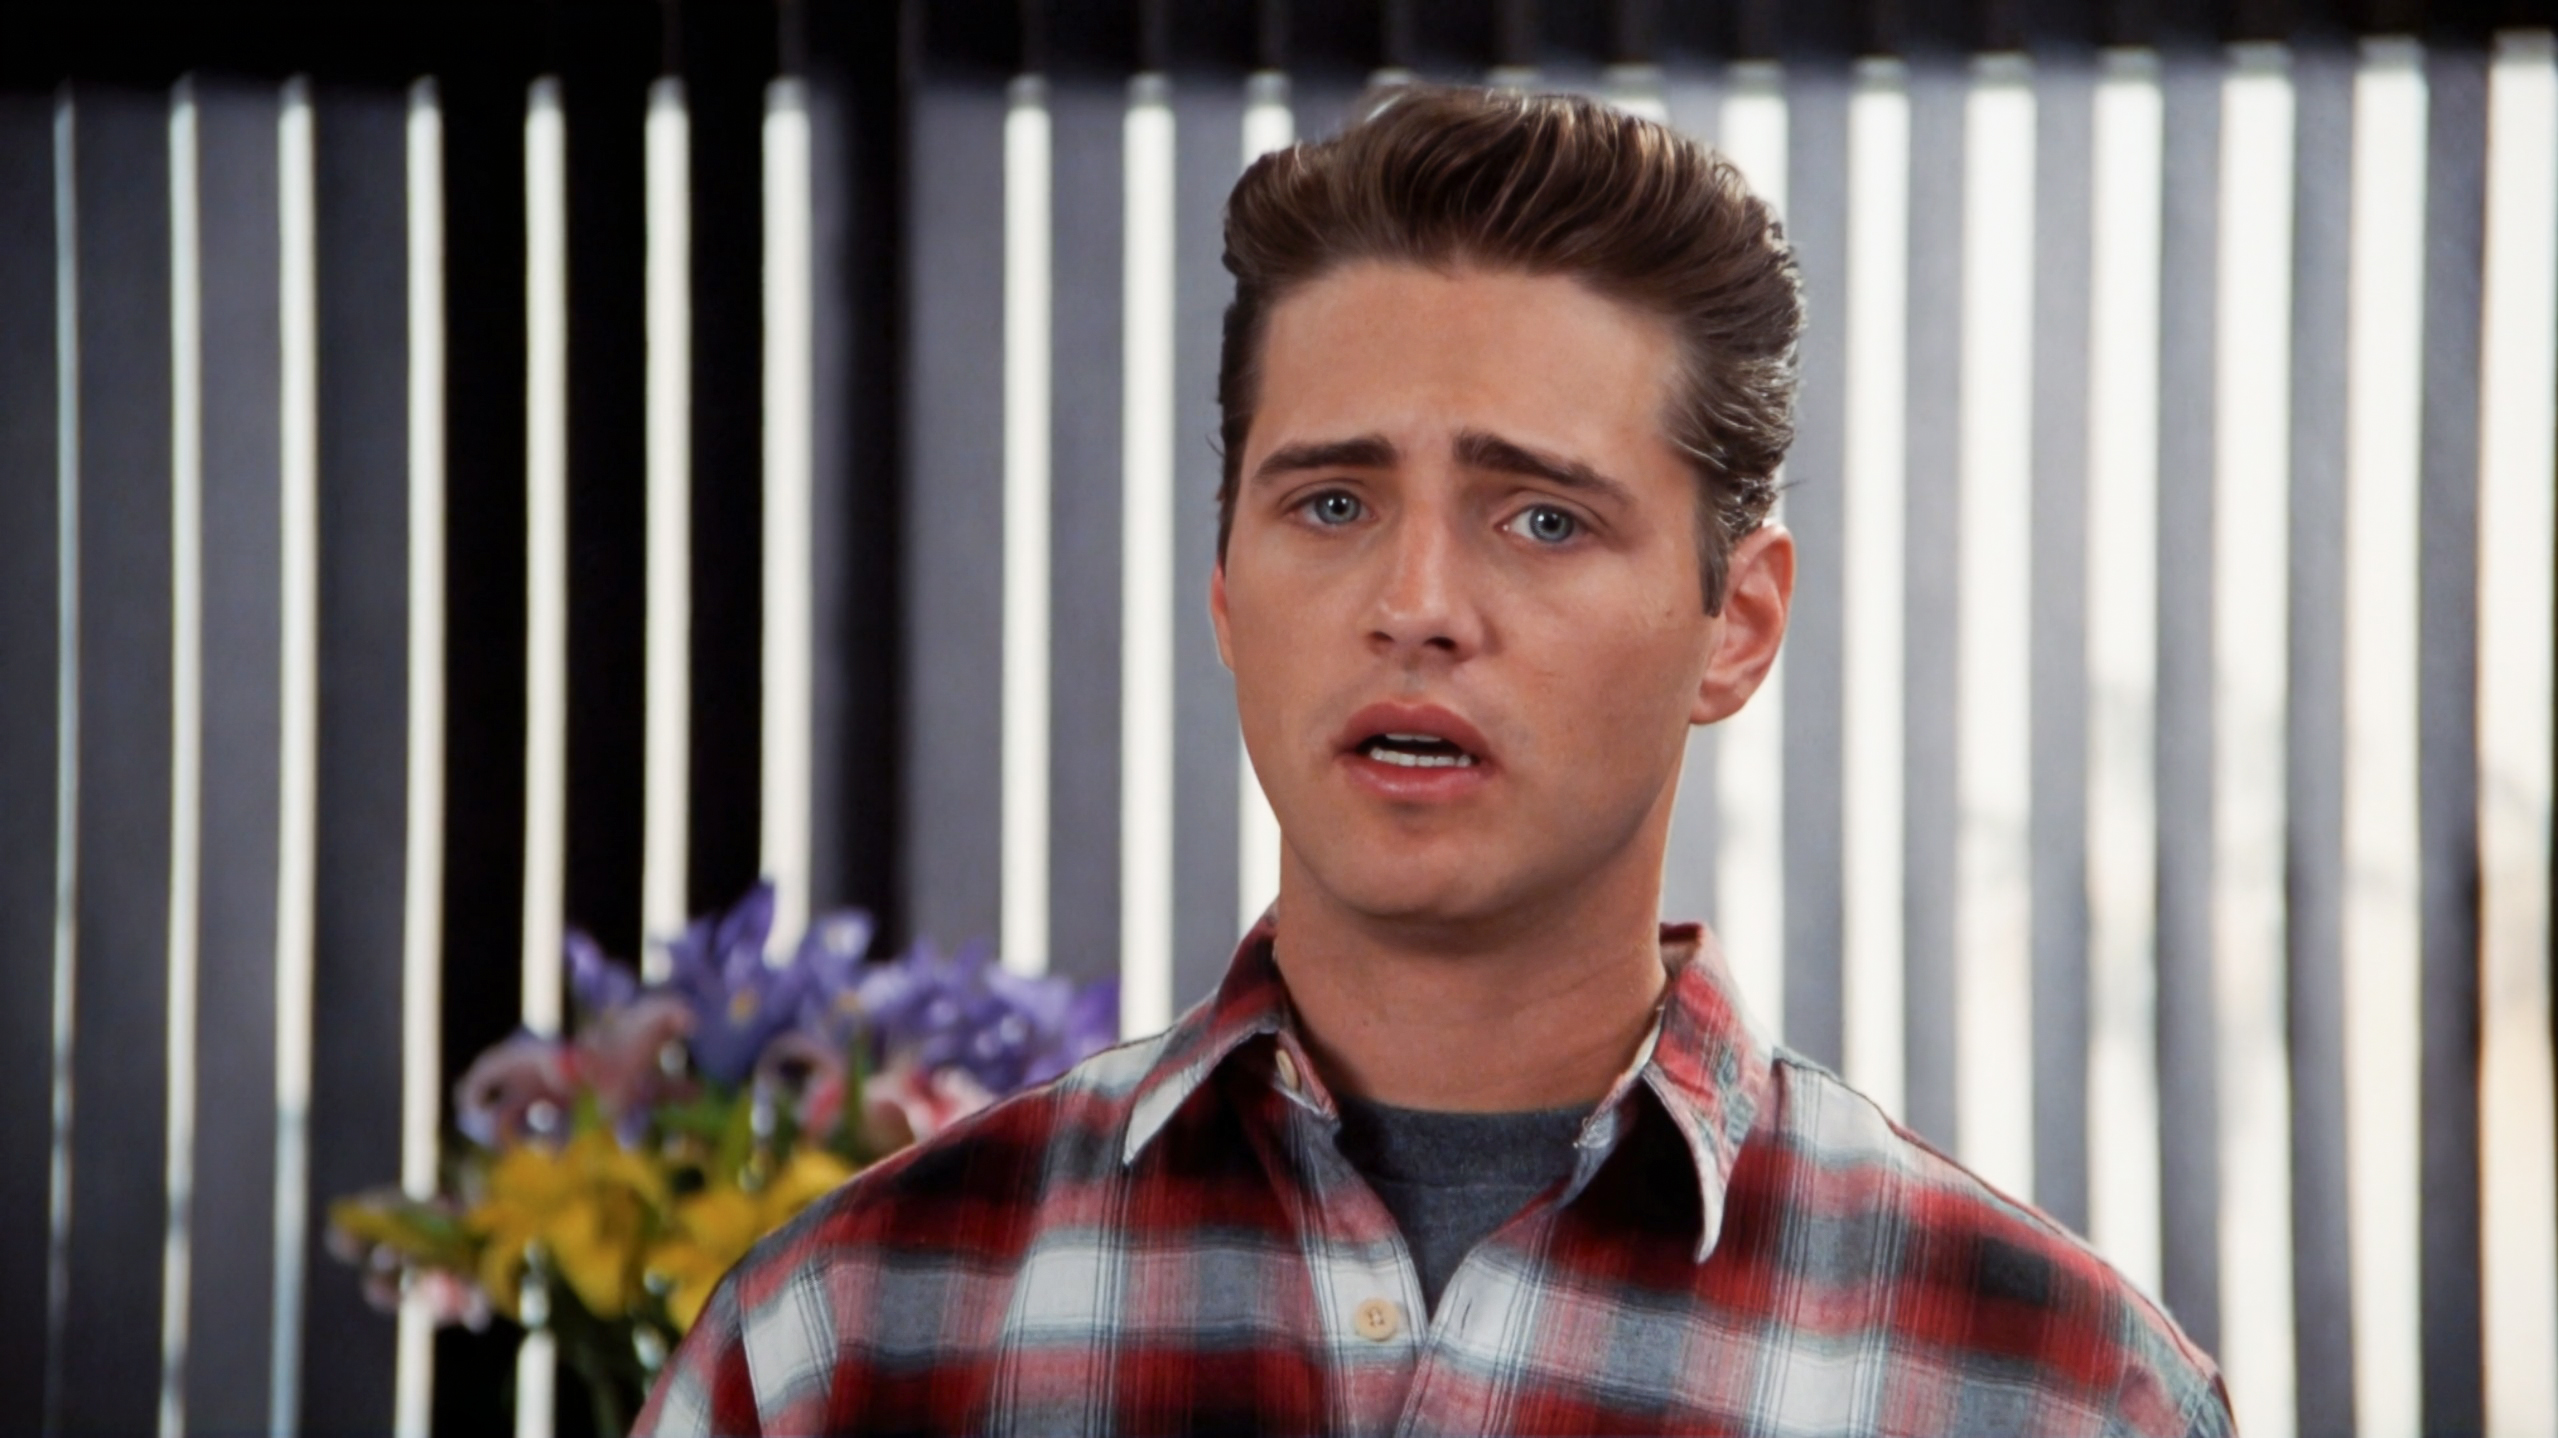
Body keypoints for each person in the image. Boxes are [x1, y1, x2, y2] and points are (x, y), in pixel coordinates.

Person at [637, 84, 2231, 1437]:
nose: (1412, 604)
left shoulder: (2052, 1385)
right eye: (1331, 504)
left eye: (1540, 517)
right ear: (1225, 592)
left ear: (1735, 625)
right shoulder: (843, 1338)